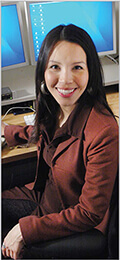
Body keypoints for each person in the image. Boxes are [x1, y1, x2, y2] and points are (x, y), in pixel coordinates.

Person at [2, 24, 118, 259]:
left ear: (90, 72)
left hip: (70, 220)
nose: (65, 80)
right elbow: (45, 133)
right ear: (44, 71)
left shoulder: (104, 130)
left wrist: (24, 231)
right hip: (45, 198)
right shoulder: (55, 107)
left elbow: (89, 213)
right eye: (55, 67)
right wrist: (8, 130)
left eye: (77, 67)